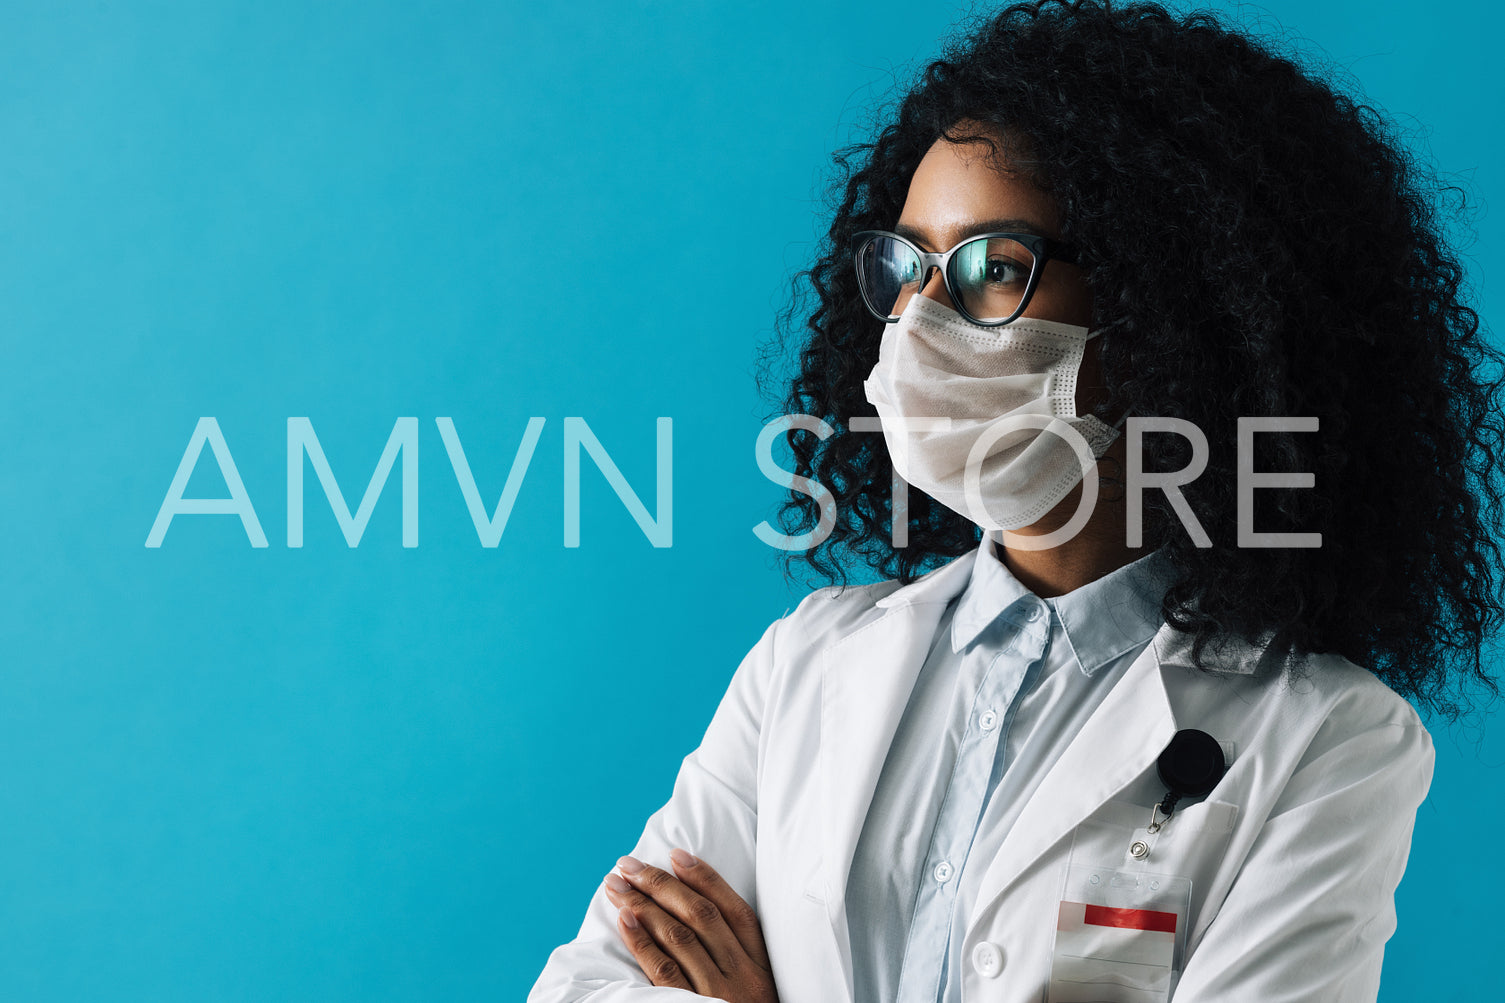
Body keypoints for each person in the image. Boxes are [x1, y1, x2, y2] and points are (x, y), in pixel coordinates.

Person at [528, 1, 1505, 1001]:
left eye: (993, 268)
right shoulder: (805, 668)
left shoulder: (1329, 742)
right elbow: (590, 986)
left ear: (1167, 303)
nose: (918, 324)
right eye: (904, 268)